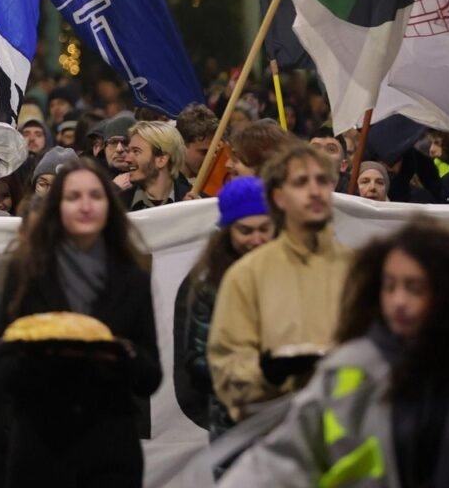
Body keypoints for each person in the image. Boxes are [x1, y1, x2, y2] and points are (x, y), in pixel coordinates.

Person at [222, 219, 449, 487]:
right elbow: (282, 457)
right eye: (390, 286)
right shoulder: (350, 371)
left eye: (415, 288)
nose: (398, 301)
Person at [0, 157, 160, 487]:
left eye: (96, 196)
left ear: (110, 206)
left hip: (110, 454)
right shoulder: (22, 278)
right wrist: (46, 356)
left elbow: (149, 377)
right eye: (73, 197)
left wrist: (118, 355)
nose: (85, 205)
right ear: (56, 209)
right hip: (40, 451)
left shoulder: (131, 279)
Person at [208, 141, 352, 426]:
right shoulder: (247, 275)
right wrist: (268, 373)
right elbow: (227, 370)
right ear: (279, 197)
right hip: (276, 433)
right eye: (301, 182)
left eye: (322, 180)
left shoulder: (359, 269)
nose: (315, 191)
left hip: (348, 433)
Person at [177, 177, 274, 443]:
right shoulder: (209, 285)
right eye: (246, 231)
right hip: (233, 423)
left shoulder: (295, 276)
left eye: (264, 229)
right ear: (227, 233)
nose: (257, 239)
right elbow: (197, 360)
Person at [125, 120, 188, 210]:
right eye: (128, 151)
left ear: (162, 159)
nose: (127, 159)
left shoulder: (194, 203)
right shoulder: (116, 205)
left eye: (136, 151)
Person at [176, 103, 217, 183]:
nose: (210, 159)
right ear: (182, 145)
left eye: (215, 152)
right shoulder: (167, 184)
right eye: (204, 152)